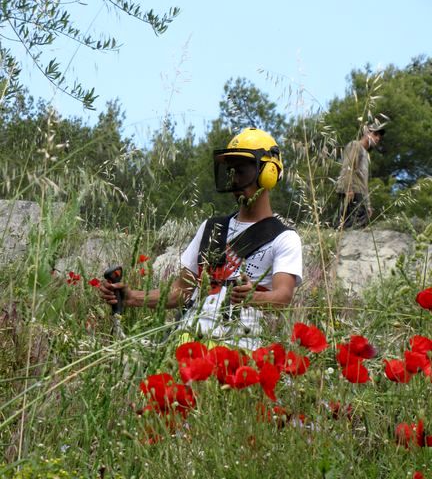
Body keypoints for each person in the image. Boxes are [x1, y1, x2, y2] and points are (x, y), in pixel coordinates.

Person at [100, 127, 302, 349]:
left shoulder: (284, 238)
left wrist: (252, 297)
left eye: (242, 171)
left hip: (240, 347)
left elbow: (283, 297)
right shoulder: (211, 228)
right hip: (189, 339)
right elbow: (182, 291)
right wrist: (131, 297)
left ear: (268, 173)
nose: (235, 180)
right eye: (232, 172)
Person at [336, 122, 386, 229]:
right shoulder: (355, 145)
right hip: (352, 192)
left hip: (360, 194)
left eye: (379, 136)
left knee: (357, 226)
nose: (377, 138)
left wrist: (367, 204)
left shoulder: (365, 153)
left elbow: (364, 181)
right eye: (375, 134)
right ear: (366, 132)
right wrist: (348, 189)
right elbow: (347, 167)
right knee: (350, 226)